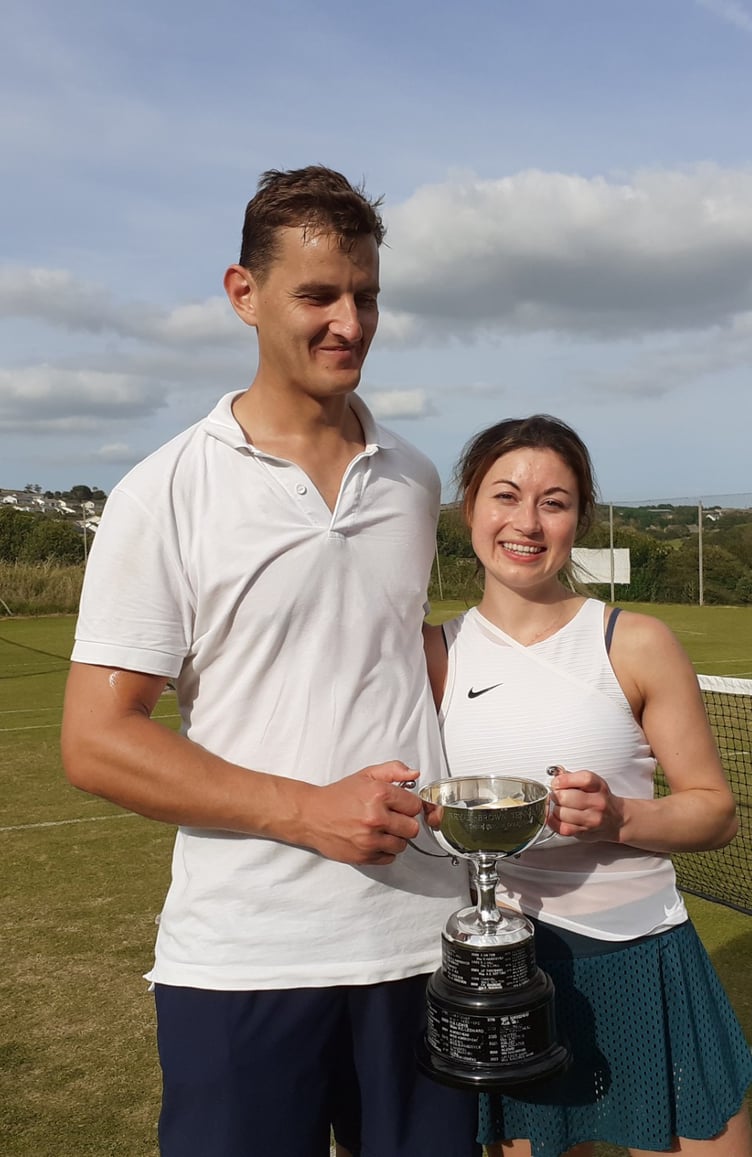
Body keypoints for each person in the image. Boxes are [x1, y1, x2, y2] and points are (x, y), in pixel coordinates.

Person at [61, 166, 480, 1157]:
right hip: (246, 959)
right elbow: (96, 741)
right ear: (242, 294)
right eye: (319, 294)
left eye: (366, 295)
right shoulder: (162, 493)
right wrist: (308, 809)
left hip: (423, 944)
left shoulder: (413, 478)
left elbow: (388, 653)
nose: (350, 321)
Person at [423, 414, 752, 1157]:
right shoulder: (432, 654)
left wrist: (619, 817)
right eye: (505, 496)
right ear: (469, 507)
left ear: (580, 518)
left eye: (555, 501)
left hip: (643, 954)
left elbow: (716, 813)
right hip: (504, 969)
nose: (526, 522)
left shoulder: (633, 640)